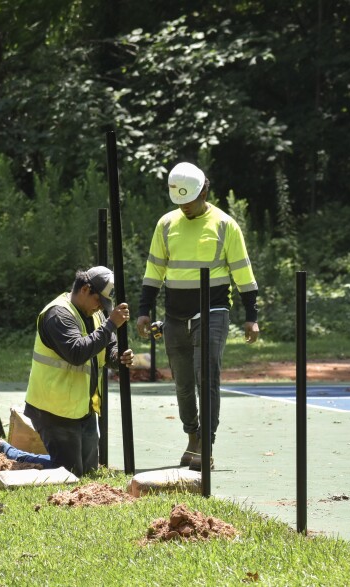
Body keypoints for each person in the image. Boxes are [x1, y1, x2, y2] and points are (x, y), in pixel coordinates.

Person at [136, 161, 259, 471]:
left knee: (207, 378)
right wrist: (144, 311)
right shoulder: (166, 224)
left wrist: (251, 315)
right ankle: (192, 435)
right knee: (183, 383)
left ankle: (206, 444)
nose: (185, 208)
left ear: (204, 190)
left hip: (213, 310)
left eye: (189, 200)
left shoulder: (224, 224)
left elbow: (242, 271)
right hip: (175, 314)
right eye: (180, 202)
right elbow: (154, 270)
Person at [0, 266, 136, 476]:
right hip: (53, 409)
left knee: (88, 471)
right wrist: (110, 325)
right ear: (85, 289)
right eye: (98, 300)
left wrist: (119, 357)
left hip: (82, 407)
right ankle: (7, 452)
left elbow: (109, 349)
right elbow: (77, 353)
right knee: (68, 472)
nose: (101, 306)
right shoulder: (58, 314)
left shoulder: (97, 314)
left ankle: (16, 453)